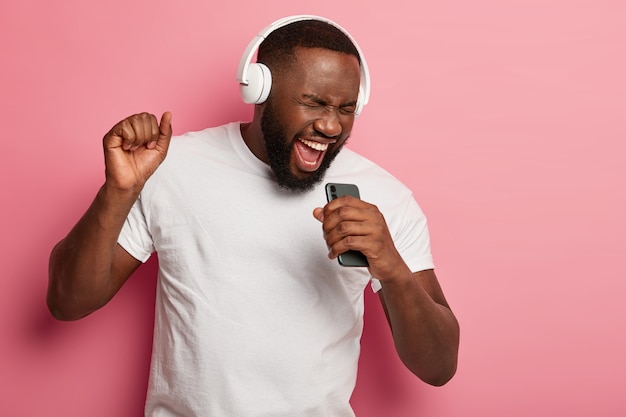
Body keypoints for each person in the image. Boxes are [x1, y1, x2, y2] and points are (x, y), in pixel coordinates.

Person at [47, 15, 459, 417]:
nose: (332, 125)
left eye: (346, 108)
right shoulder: (170, 167)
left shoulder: (387, 196)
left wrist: (394, 269)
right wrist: (118, 192)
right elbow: (68, 301)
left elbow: (439, 367)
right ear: (259, 89)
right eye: (313, 102)